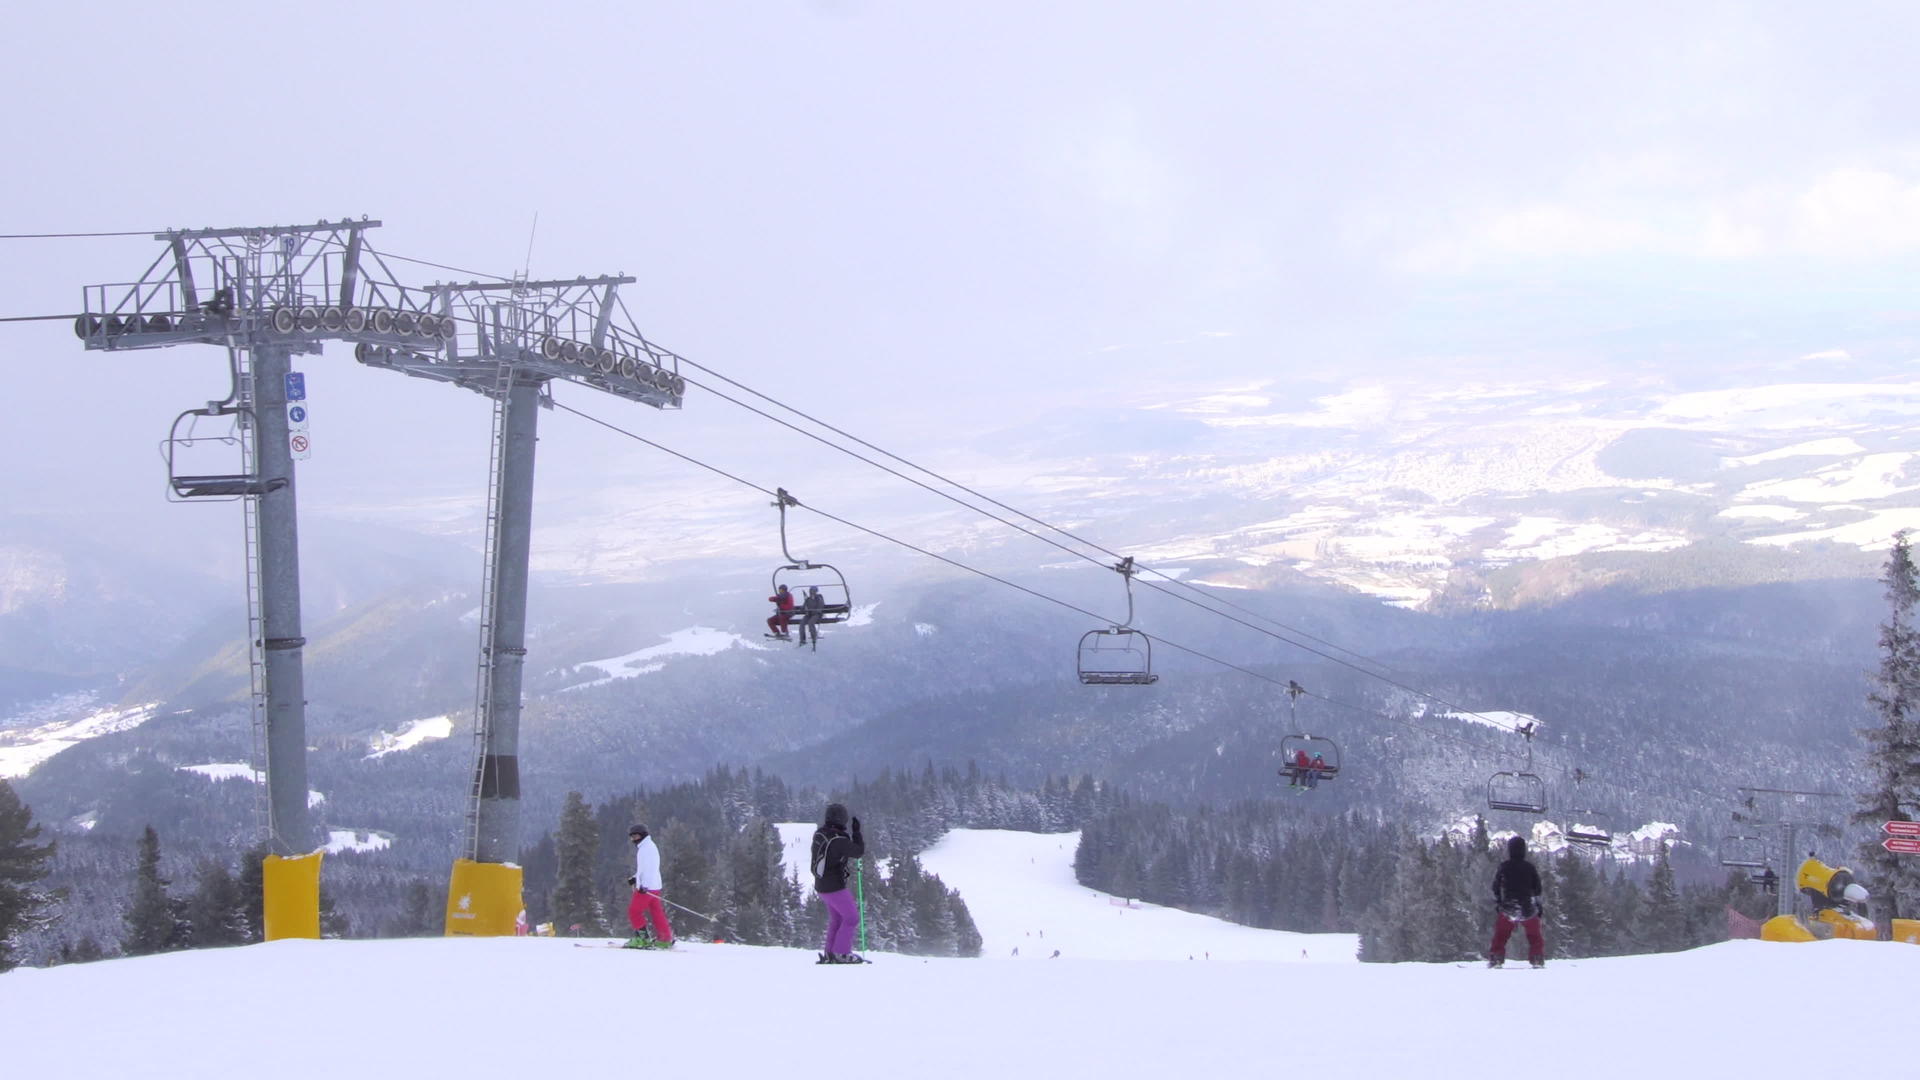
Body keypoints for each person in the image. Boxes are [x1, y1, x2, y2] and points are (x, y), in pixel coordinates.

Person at [809, 802, 866, 963]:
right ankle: (841, 953)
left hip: (821, 885)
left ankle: (830, 953)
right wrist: (856, 832)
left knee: (838, 919)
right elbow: (858, 851)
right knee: (851, 918)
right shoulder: (838, 840)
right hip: (834, 886)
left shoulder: (820, 834)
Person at [1488, 835, 1544, 968]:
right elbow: (1537, 889)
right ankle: (1536, 958)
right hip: (1527, 907)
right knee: (1534, 936)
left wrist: (1499, 901)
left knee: (1500, 935)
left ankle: (1496, 958)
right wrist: (1536, 902)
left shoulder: (1504, 867)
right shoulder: (1529, 867)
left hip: (1508, 907)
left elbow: (1495, 887)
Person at [625, 824, 673, 949]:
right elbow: (645, 869)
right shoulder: (649, 846)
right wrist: (635, 878)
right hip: (654, 885)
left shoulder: (646, 849)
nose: (634, 839)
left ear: (643, 835)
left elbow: (649, 869)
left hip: (647, 887)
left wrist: (643, 885)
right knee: (656, 911)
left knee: (634, 911)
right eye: (632, 837)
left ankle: (642, 938)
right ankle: (665, 938)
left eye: (636, 836)